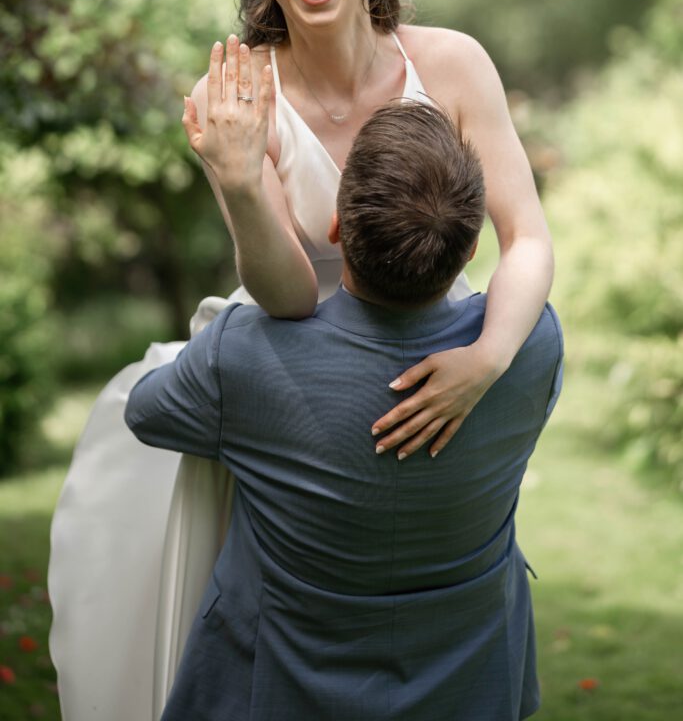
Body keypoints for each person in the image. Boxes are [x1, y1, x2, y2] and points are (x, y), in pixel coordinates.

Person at [49, 0, 554, 720]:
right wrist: (242, 181)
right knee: (275, 588)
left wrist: (486, 358)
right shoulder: (239, 91)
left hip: (434, 341)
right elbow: (286, 296)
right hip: (285, 364)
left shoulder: (454, 64)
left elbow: (528, 241)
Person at [125, 100, 564, 720]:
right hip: (471, 687)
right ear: (469, 251)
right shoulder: (530, 348)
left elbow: (145, 412)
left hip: (278, 690)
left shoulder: (248, 358)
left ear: (335, 228)